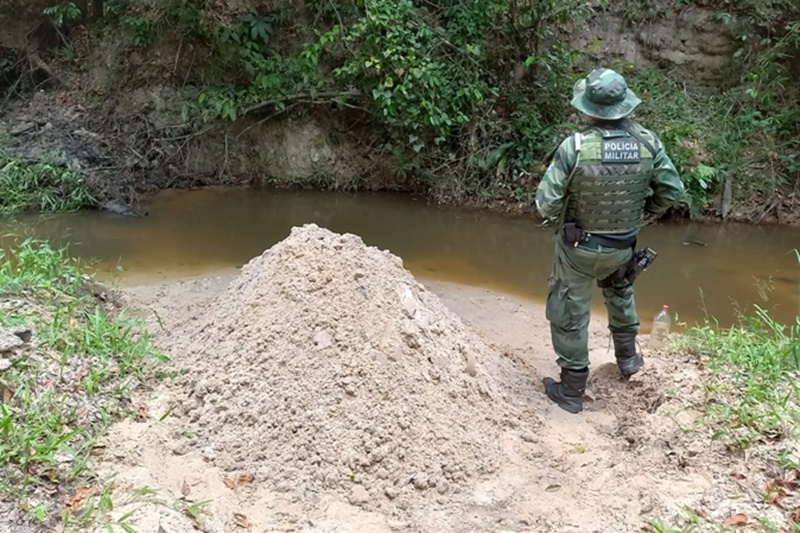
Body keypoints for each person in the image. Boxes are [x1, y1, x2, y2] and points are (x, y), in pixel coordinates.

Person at [534, 67, 685, 414]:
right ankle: (629, 359)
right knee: (619, 290)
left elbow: (546, 203)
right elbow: (672, 192)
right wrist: (642, 214)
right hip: (623, 245)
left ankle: (571, 391)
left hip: (578, 248)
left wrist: (561, 220)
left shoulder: (574, 147)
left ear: (588, 109)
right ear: (624, 107)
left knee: (570, 305)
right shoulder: (649, 143)